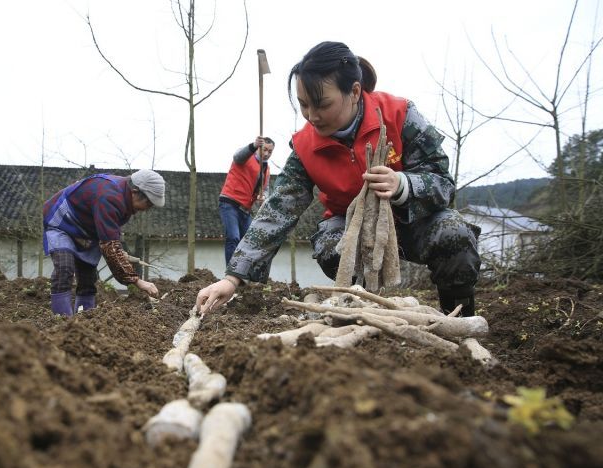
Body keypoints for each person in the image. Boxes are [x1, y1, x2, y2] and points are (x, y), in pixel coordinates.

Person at [196, 41, 480, 317]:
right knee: (332, 247)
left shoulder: (400, 115)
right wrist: (233, 278)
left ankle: (457, 318)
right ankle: (362, 311)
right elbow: (277, 210)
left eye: (321, 104)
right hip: (349, 226)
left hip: (411, 220)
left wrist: (403, 184)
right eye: (303, 105)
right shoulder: (306, 146)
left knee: (454, 233)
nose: (312, 116)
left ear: (354, 92)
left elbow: (443, 181)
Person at [43, 169, 164, 316]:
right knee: (64, 268)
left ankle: (84, 322)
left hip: (88, 232)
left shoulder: (124, 197)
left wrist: (117, 250)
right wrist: (137, 281)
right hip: (63, 223)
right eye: (149, 203)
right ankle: (61, 322)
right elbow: (110, 246)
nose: (147, 209)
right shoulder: (110, 197)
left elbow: (111, 238)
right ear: (135, 191)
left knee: (88, 278)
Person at [219, 136, 275, 264]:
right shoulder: (246, 156)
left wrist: (263, 196)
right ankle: (230, 274)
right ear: (259, 148)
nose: (267, 154)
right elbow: (237, 157)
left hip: (245, 209)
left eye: (270, 151)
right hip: (230, 203)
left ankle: (242, 273)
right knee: (233, 237)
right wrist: (253, 145)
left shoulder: (266, 170)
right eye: (264, 149)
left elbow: (265, 189)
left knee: (250, 242)